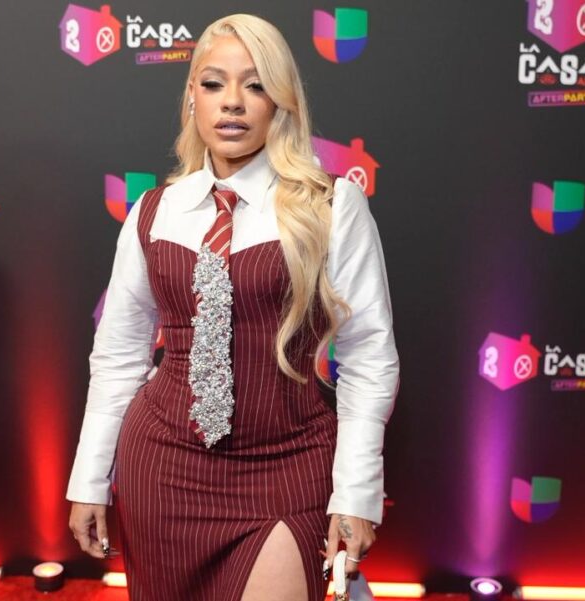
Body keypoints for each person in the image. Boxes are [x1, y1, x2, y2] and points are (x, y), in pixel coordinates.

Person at [67, 13, 398, 601]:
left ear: (281, 102)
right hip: (162, 470)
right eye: (214, 83)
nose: (233, 103)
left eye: (256, 85)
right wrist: (90, 479)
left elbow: (369, 356)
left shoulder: (332, 205)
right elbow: (118, 356)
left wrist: (356, 493)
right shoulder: (153, 211)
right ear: (191, 97)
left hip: (288, 465)